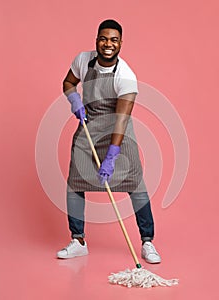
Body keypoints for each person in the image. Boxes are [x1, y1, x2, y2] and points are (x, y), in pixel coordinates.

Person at [57, 19, 161, 264]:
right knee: (75, 182)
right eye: (104, 38)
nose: (108, 44)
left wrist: (112, 155)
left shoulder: (126, 76)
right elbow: (69, 83)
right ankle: (78, 240)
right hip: (88, 126)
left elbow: (122, 120)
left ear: (121, 43)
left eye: (114, 40)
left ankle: (148, 241)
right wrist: (74, 100)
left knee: (136, 185)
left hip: (118, 133)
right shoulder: (83, 60)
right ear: (96, 40)